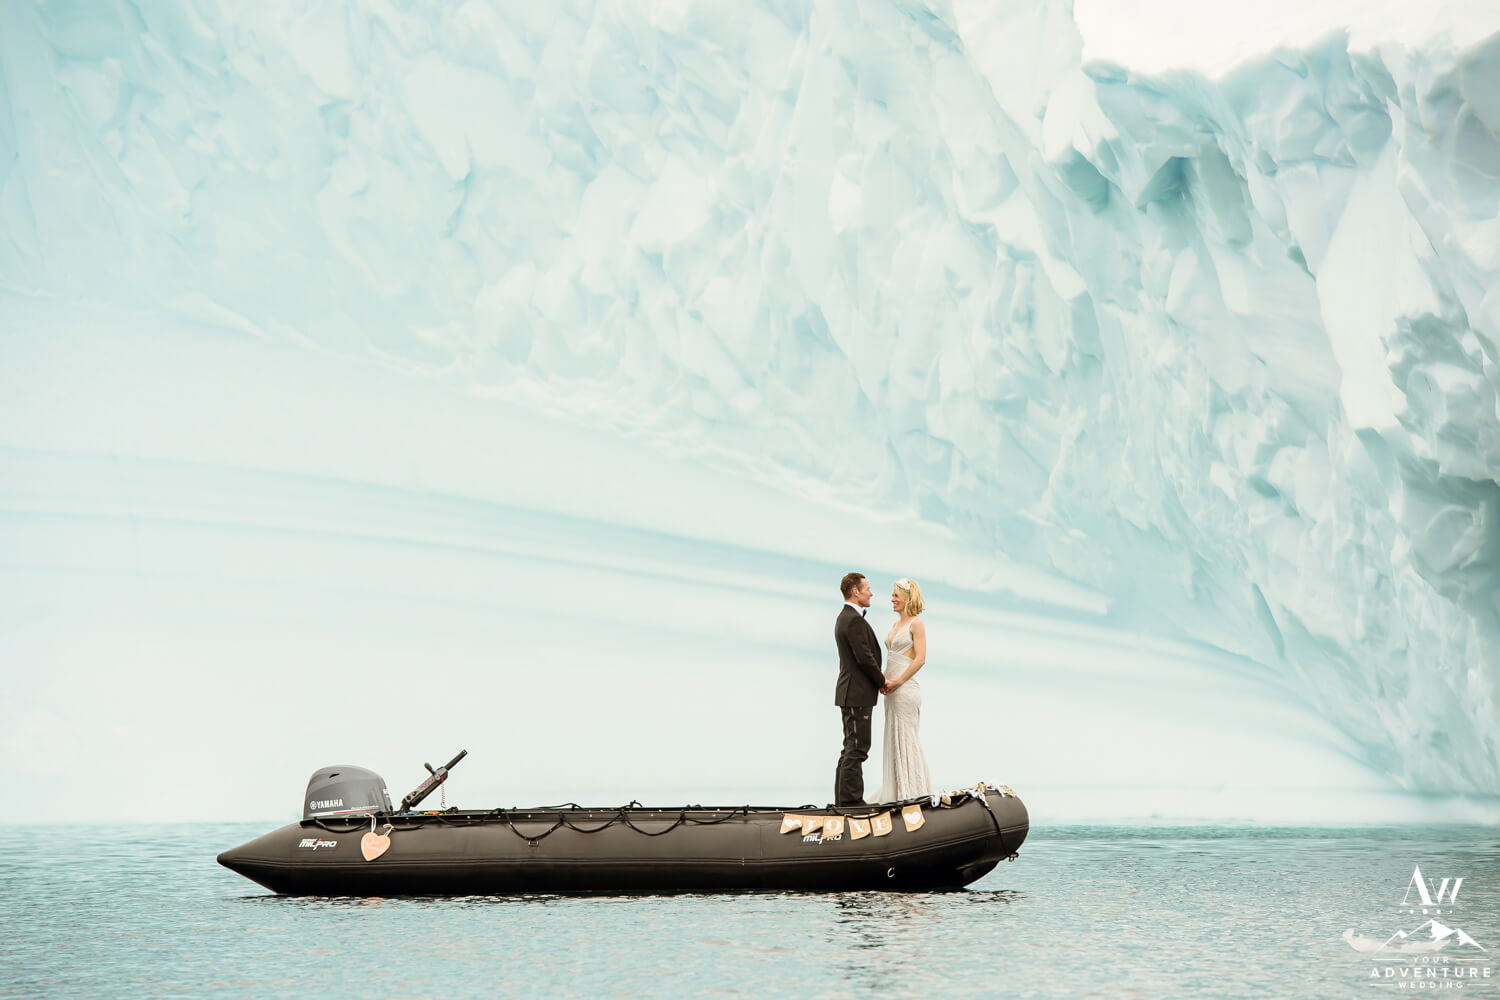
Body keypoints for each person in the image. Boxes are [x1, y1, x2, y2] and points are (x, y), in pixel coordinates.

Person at [874, 578, 932, 802]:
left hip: (905, 689)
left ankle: (913, 791)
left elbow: (920, 659)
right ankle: (897, 789)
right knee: (893, 737)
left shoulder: (916, 624)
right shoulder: (894, 625)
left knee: (907, 737)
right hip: (891, 690)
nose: (892, 599)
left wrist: (898, 681)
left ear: (907, 597)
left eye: (896, 595)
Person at [833, 572, 885, 806]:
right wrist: (881, 681)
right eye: (867, 588)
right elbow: (864, 658)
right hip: (856, 693)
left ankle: (844, 801)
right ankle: (851, 803)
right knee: (857, 748)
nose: (870, 593)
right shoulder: (852, 620)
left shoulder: (845, 617)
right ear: (856, 592)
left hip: (852, 692)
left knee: (851, 747)